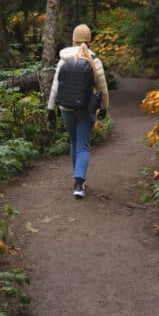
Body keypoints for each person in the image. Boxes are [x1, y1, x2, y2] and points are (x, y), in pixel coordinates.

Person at [46, 23, 109, 198]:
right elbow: (102, 88)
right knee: (83, 145)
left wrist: (51, 108)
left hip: (65, 108)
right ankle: (79, 182)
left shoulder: (64, 59)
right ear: (89, 41)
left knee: (74, 143)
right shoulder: (94, 60)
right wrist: (104, 107)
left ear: (73, 40)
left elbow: (55, 86)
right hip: (85, 108)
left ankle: (78, 179)